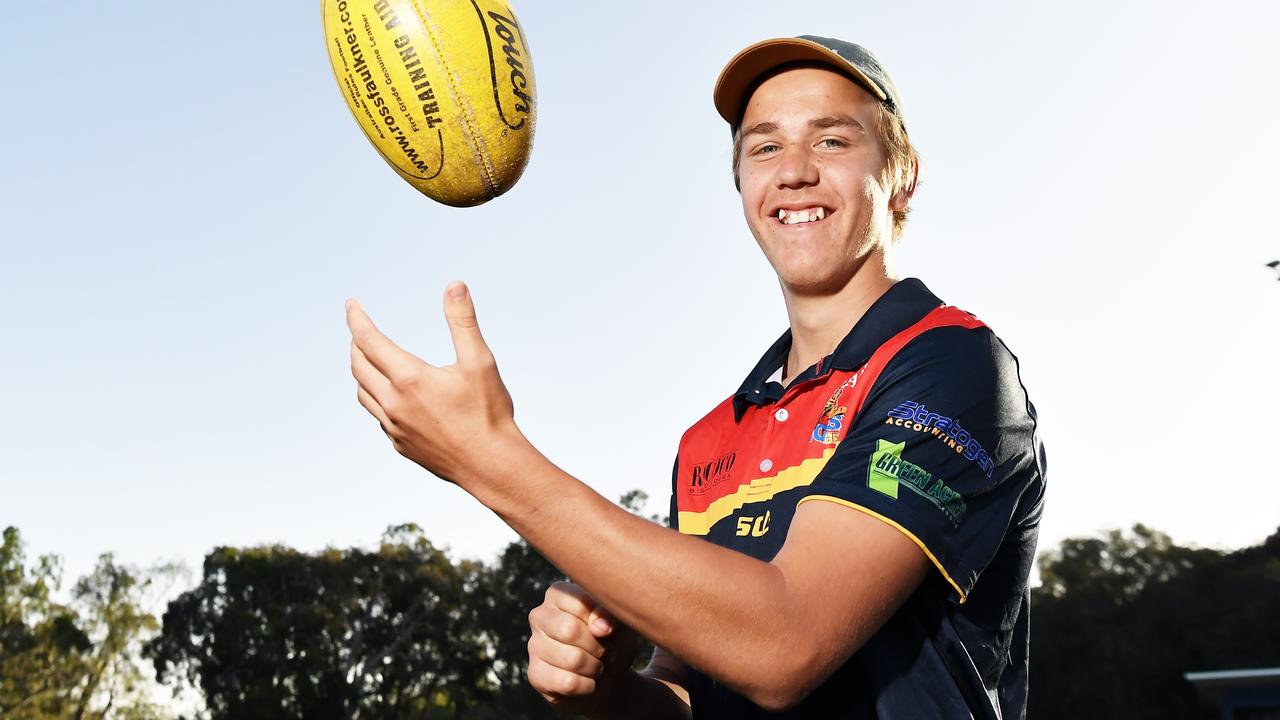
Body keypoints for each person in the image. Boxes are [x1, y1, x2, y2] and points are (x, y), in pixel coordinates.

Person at [346, 35, 1046, 719]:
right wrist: (607, 691)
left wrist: (489, 459)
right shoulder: (709, 440)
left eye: (832, 140)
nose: (793, 169)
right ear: (741, 182)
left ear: (902, 174)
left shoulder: (953, 363)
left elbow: (786, 642)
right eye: (764, 146)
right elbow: (688, 697)